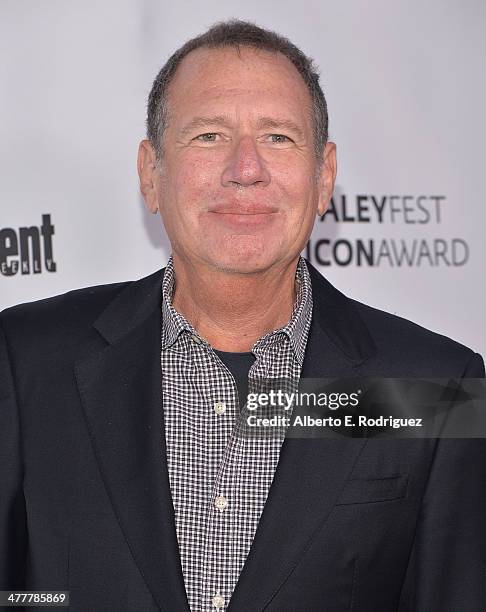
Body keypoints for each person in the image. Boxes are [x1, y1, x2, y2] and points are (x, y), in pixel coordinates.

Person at [1, 19, 485, 612]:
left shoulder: (437, 386)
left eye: (279, 137)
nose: (246, 168)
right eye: (208, 135)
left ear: (325, 175)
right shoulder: (27, 362)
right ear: (151, 174)